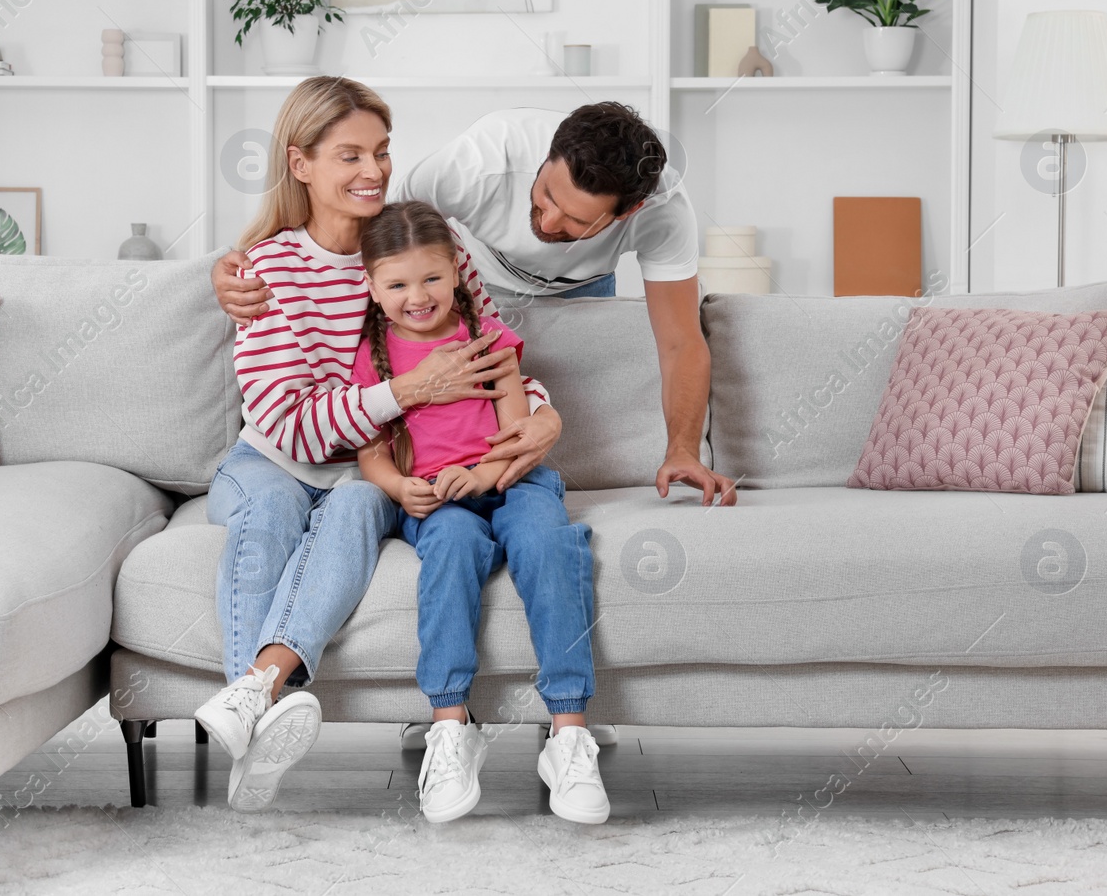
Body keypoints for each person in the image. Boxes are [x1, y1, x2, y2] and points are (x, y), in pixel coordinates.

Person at [192, 77, 559, 812]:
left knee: (358, 502)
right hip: (271, 460)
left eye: (383, 153)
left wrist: (543, 415)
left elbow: (487, 354)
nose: (374, 170)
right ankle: (256, 704)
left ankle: (254, 700)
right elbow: (290, 423)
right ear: (300, 164)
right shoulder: (268, 269)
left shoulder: (416, 248)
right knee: (267, 519)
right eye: (349, 155)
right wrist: (412, 391)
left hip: (360, 472)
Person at [213, 102, 738, 509]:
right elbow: (388, 253)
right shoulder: (478, 162)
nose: (550, 223)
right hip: (470, 279)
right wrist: (243, 261)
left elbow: (680, 342)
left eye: (577, 222)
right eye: (545, 196)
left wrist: (683, 449)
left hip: (580, 284)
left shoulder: (664, 215)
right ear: (543, 158)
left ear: (632, 212)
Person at [351, 201, 608, 825]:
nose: (418, 295)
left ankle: (569, 736)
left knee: (548, 544)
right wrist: (397, 487)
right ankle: (449, 729)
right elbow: (372, 452)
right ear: (373, 286)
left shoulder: (488, 342)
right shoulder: (374, 355)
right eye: (399, 283)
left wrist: (484, 474)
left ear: (457, 273)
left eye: (432, 278)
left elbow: (518, 433)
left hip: (512, 480)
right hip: (440, 497)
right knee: (454, 549)